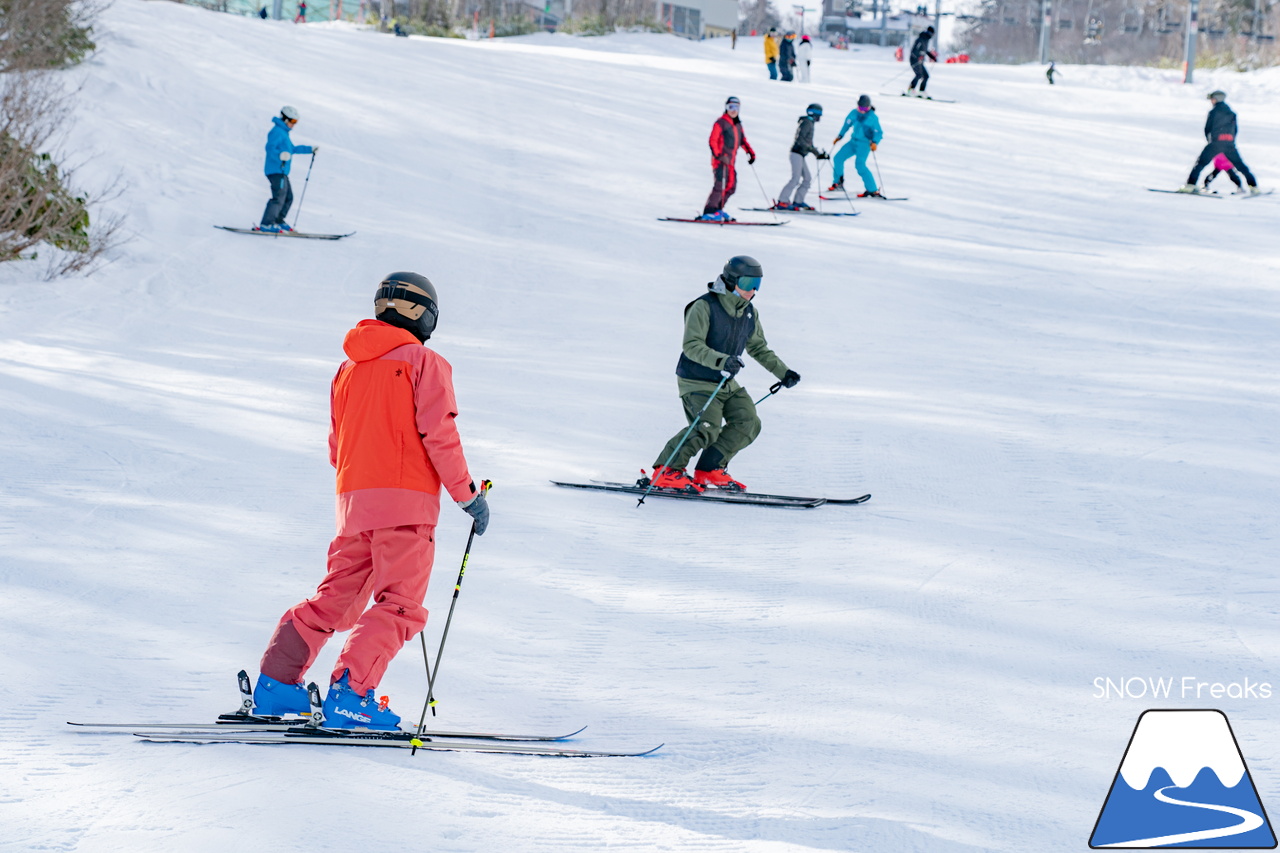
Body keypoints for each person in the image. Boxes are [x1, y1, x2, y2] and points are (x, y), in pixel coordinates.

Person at [251, 272, 490, 730]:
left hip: (353, 505)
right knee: (400, 603)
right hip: (406, 505)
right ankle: (351, 695)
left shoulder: (347, 369)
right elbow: (439, 435)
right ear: (423, 314)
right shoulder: (424, 362)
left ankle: (276, 686)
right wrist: (468, 496)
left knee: (334, 600)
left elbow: (337, 448)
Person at [646, 256, 800, 493]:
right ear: (730, 280)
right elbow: (692, 345)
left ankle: (709, 469)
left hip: (726, 382)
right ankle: (667, 470)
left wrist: (784, 372)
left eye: (758, 283)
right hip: (696, 379)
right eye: (748, 282)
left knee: (748, 422)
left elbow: (758, 347)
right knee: (705, 427)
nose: (753, 290)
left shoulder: (749, 312)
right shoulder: (704, 306)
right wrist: (721, 360)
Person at [1179, 91, 1260, 195]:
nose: (1211, 101)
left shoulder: (1213, 112)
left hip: (1215, 143)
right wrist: (1230, 141)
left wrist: (1211, 141)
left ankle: (1190, 185)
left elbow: (1208, 128)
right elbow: (1235, 130)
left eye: (1212, 99)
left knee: (1200, 164)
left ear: (1217, 99)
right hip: (1229, 144)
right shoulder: (1231, 113)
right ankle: (1254, 187)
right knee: (1241, 166)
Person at [257, 106, 317, 234]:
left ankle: (278, 220)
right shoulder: (277, 131)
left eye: (296, 122)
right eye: (292, 121)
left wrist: (309, 149)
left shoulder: (284, 133)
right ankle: (266, 224)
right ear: (284, 119)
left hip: (282, 171)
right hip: (275, 170)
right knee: (279, 197)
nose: (294, 124)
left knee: (288, 197)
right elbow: (270, 148)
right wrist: (280, 156)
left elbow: (292, 149)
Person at [700, 97, 757, 222]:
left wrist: (751, 153)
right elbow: (713, 140)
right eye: (731, 107)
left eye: (736, 108)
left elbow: (743, 141)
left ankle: (718, 209)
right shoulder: (721, 122)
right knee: (720, 185)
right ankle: (709, 211)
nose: (733, 110)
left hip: (731, 162)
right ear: (726, 108)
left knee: (731, 186)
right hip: (720, 160)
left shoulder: (737, 125)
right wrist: (719, 155)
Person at [828, 95, 884, 198]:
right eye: (860, 108)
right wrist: (840, 136)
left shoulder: (872, 118)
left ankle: (872, 190)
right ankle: (838, 183)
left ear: (869, 107)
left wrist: (875, 142)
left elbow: (878, 132)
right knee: (838, 158)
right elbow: (846, 125)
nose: (862, 111)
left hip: (864, 144)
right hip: (853, 142)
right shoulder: (853, 113)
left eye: (865, 108)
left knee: (860, 165)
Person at [775, 104, 828, 211]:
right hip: (796, 153)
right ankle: (782, 201)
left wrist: (818, 154)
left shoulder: (809, 123)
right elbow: (801, 141)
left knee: (807, 178)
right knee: (795, 178)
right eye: (819, 115)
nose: (820, 118)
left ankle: (798, 201)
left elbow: (808, 143)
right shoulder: (807, 123)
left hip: (800, 154)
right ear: (814, 114)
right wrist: (813, 151)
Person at [905, 26, 938, 97]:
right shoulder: (920, 39)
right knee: (919, 75)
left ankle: (921, 91)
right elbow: (914, 50)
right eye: (932, 34)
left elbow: (925, 51)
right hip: (914, 60)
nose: (932, 36)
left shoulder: (926, 40)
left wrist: (933, 57)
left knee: (926, 76)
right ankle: (910, 90)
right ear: (930, 33)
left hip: (920, 61)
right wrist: (918, 57)